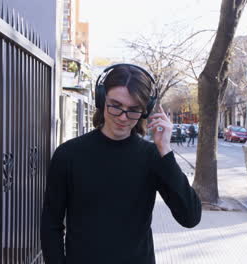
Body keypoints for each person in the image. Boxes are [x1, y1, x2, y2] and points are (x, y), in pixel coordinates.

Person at [40, 64, 201, 264]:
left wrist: (165, 151)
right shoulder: (68, 154)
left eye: (133, 110)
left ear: (145, 111)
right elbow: (51, 224)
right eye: (115, 105)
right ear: (101, 99)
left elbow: (190, 217)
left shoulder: (153, 156)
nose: (123, 117)